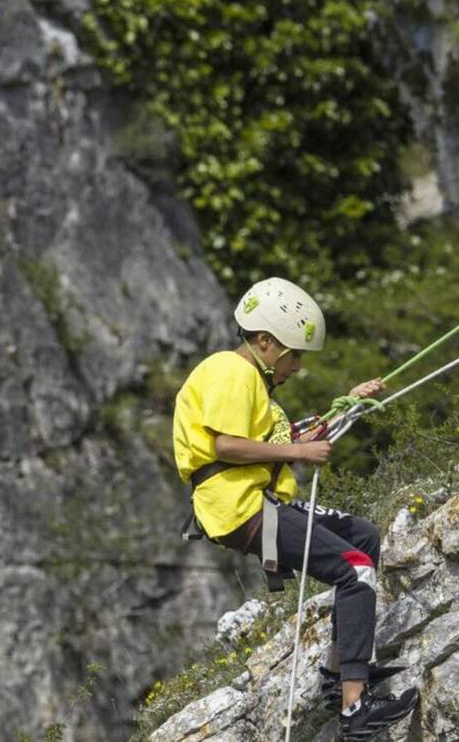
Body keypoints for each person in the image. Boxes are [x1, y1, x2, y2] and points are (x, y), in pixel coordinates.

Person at [173, 277, 419, 739]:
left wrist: (348, 404)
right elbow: (225, 444)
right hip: (240, 508)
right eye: (294, 354)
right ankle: (354, 707)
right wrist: (301, 455)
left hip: (255, 502)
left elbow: (279, 441)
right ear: (265, 342)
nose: (298, 367)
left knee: (362, 535)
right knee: (357, 569)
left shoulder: (252, 383)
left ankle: (336, 676)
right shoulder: (231, 371)